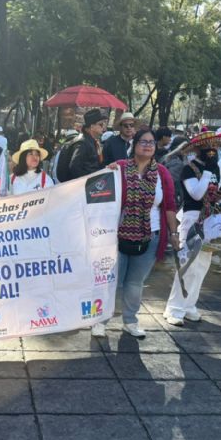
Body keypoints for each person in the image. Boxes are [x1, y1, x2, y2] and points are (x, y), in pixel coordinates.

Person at [93, 129, 179, 338]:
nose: (148, 145)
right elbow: (99, 191)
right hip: (117, 236)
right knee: (111, 280)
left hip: (151, 236)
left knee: (135, 283)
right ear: (134, 145)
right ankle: (100, 320)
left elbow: (168, 206)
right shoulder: (120, 168)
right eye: (143, 141)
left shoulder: (162, 173)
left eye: (151, 142)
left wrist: (174, 233)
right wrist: (106, 173)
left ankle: (130, 321)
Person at [163, 142, 221, 326]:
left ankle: (189, 305)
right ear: (198, 149)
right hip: (190, 219)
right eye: (207, 149)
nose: (211, 152)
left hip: (209, 219)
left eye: (213, 149)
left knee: (202, 266)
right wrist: (208, 172)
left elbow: (210, 194)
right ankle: (174, 308)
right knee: (187, 264)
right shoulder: (188, 169)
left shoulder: (214, 168)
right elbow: (196, 194)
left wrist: (218, 194)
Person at [68, 108, 107, 179]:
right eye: (100, 124)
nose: (103, 127)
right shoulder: (83, 143)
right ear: (92, 127)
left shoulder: (91, 141)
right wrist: (88, 181)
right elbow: (74, 167)